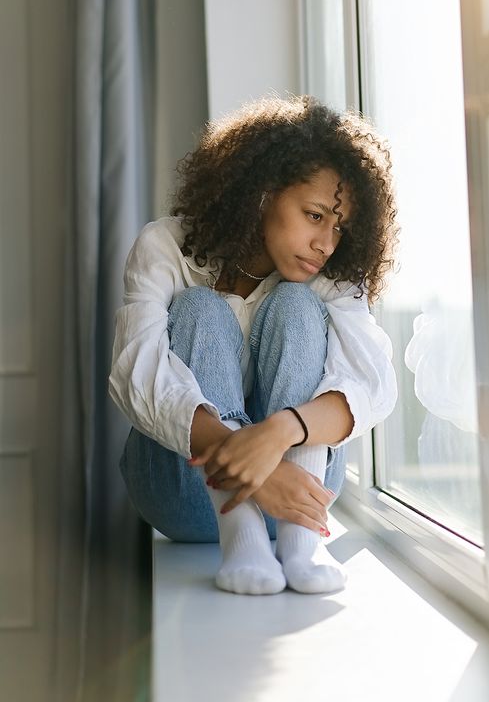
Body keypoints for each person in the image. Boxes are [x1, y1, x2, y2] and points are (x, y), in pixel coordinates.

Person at [109, 95, 398, 595]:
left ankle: (301, 545)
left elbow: (376, 387)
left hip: (300, 498)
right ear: (263, 194)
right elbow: (135, 374)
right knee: (201, 308)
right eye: (314, 215)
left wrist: (280, 434)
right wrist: (249, 469)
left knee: (297, 307)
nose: (326, 244)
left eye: (339, 227)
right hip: (183, 492)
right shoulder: (164, 246)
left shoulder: (330, 276)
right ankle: (239, 533)